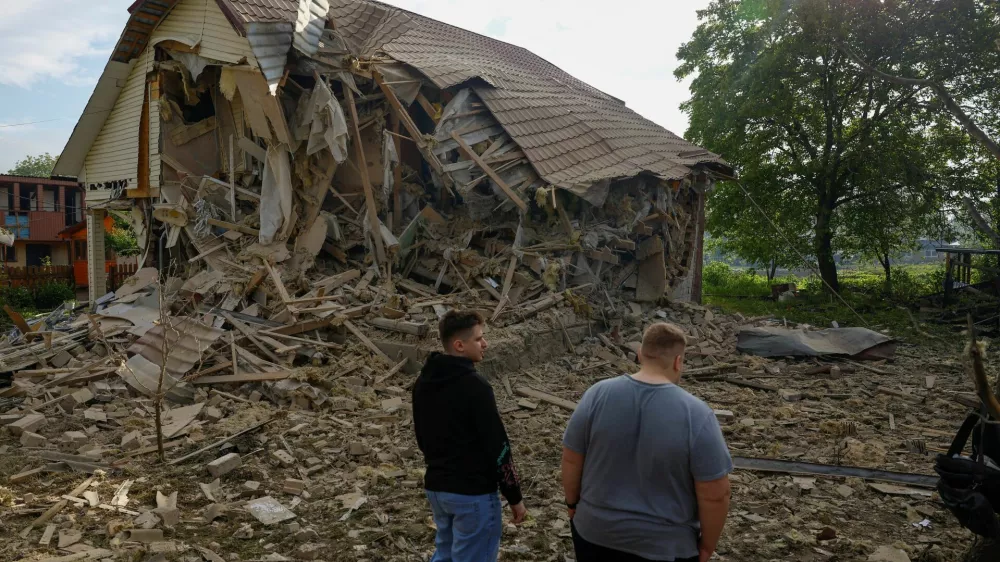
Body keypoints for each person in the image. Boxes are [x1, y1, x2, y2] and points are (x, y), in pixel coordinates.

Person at [561, 322, 732, 562]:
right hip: (666, 546)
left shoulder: (596, 394)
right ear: (678, 361)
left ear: (640, 354)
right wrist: (707, 546)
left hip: (595, 534)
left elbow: (571, 458)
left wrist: (572, 503)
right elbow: (716, 494)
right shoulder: (697, 414)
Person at [412, 309, 527, 562]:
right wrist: (515, 497)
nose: (485, 343)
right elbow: (498, 448)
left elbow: (422, 438)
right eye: (478, 339)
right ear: (459, 345)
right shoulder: (476, 387)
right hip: (472, 495)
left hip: (438, 490)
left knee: (444, 555)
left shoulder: (422, 383)